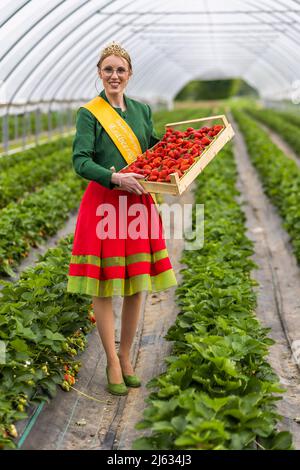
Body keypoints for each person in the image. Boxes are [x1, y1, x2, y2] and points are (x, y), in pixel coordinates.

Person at [67, 42, 177, 396]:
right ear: (99, 73)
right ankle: (111, 361)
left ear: (130, 75)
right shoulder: (89, 113)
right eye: (108, 69)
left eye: (120, 70)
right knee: (104, 284)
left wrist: (185, 156)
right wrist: (115, 177)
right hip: (104, 205)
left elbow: (152, 151)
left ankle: (126, 355)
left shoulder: (142, 111)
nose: (114, 76)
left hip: (139, 205)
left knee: (135, 283)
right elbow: (80, 161)